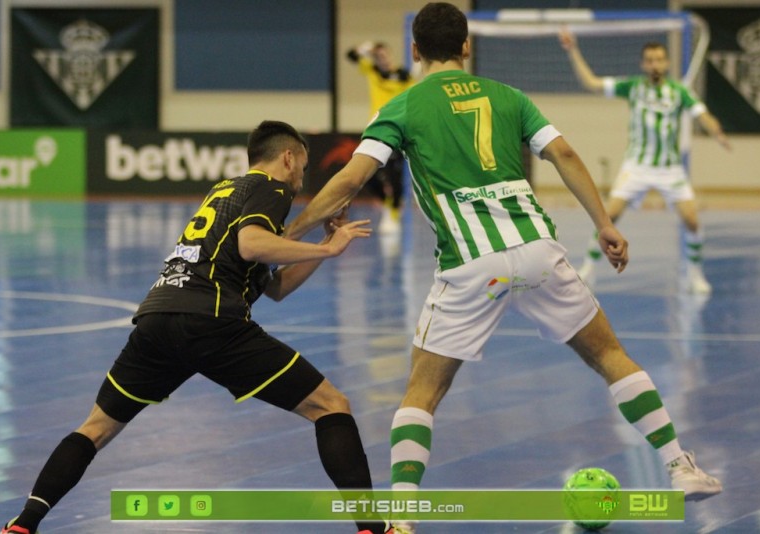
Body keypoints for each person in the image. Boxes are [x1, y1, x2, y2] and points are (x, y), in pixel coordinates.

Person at [287, 4, 722, 532]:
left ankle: (401, 518)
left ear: (416, 51)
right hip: (539, 248)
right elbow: (564, 153)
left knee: (422, 393)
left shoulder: (400, 108)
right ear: (466, 47)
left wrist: (292, 233)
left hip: (472, 263)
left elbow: (352, 180)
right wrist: (604, 222)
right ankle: (681, 467)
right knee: (610, 354)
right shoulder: (509, 95)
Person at [0, 121, 391, 534]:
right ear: (288, 157)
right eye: (302, 167)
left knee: (95, 428)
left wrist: (318, 251)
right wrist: (329, 248)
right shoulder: (271, 189)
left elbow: (273, 287)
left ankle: (24, 524)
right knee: (331, 406)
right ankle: (371, 527)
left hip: (157, 318)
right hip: (211, 322)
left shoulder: (224, 193)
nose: (301, 178)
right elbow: (252, 245)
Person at [559, 29, 731, 294]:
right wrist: (573, 51)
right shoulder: (633, 87)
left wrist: (717, 133)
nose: (655, 64)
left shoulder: (679, 92)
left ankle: (694, 274)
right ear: (643, 64)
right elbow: (592, 83)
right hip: (637, 167)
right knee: (608, 216)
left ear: (667, 63)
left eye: (659, 59)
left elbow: (703, 114)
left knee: (692, 221)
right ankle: (588, 269)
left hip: (670, 169)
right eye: (649, 60)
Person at [347, 40, 414, 234]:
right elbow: (351, 55)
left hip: (398, 130)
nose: (382, 59)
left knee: (395, 176)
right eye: (378, 56)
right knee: (366, 174)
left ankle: (393, 214)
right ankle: (387, 204)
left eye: (384, 55)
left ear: (391, 55)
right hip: (375, 129)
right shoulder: (373, 72)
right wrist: (367, 48)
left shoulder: (404, 76)